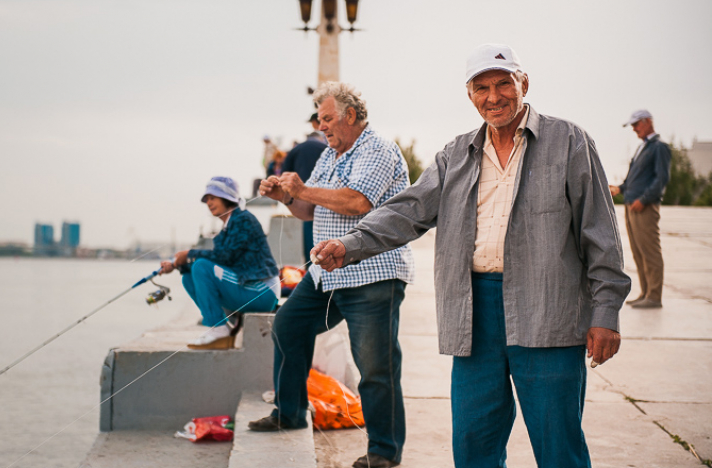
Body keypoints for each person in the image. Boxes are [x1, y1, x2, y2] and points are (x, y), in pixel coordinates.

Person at [311, 44, 631, 468]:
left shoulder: (568, 141)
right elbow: (408, 210)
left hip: (549, 310)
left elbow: (600, 233)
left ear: (524, 84)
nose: (494, 96)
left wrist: (605, 312)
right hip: (473, 311)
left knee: (559, 443)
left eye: (503, 84)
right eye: (482, 88)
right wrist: (349, 244)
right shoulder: (456, 154)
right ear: (470, 94)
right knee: (473, 441)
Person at [249, 81, 414, 468]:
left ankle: (384, 452)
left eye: (326, 119)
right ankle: (289, 412)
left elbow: (358, 202)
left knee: (375, 365)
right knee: (287, 326)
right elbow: (310, 211)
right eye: (318, 120)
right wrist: (287, 198)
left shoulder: (377, 149)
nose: (321, 127)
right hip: (327, 273)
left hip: (372, 272)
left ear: (350, 116)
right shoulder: (329, 156)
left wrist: (303, 189)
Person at [159, 176, 280, 350]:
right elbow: (221, 260)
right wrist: (178, 265)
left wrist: (188, 254)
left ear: (227, 198)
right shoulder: (225, 230)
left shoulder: (243, 219)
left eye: (213, 198)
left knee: (200, 265)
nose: (209, 203)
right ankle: (222, 326)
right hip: (247, 287)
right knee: (189, 276)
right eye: (207, 199)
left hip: (262, 291)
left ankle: (219, 327)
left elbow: (226, 257)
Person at [609, 110, 671, 309]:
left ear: (648, 122)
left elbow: (661, 179)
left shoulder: (659, 148)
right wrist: (620, 188)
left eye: (637, 124)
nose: (635, 129)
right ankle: (645, 292)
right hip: (631, 205)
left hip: (643, 207)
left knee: (650, 251)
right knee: (638, 251)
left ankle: (654, 296)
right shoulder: (642, 148)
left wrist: (644, 200)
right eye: (633, 125)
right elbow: (633, 179)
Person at [282, 128, 327, 262]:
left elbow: (284, 173)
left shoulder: (296, 149)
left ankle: (310, 263)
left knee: (308, 225)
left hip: (301, 195)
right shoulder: (325, 147)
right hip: (324, 194)